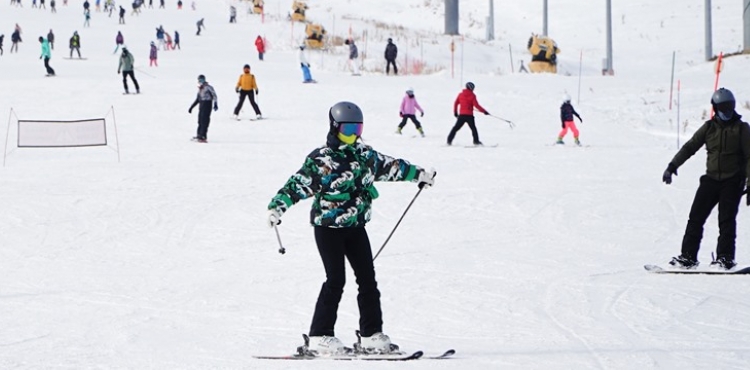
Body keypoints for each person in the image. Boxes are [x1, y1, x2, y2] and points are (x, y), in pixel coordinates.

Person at [265, 101, 436, 356]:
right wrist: (277, 207)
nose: (354, 135)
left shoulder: (365, 155)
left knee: (368, 279)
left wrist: (418, 173)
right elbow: (297, 184)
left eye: (357, 128)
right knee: (336, 280)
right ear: (335, 128)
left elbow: (392, 167)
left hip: (356, 227)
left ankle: (371, 335)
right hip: (328, 227)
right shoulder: (321, 159)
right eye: (348, 129)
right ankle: (319, 335)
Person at [662, 88, 750, 270]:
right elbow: (690, 147)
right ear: (715, 108)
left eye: (730, 106)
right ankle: (688, 257)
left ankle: (725, 258)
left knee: (726, 220)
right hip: (710, 180)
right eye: (722, 107)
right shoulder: (709, 128)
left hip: (732, 180)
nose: (726, 111)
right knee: (695, 218)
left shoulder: (741, 129)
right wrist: (672, 166)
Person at [188, 75, 218, 143]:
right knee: (200, 121)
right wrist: (191, 107)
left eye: (202, 80)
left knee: (205, 121)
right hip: (201, 105)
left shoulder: (208, 87)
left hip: (207, 104)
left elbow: (214, 95)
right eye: (199, 80)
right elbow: (198, 99)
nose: (200, 81)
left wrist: (215, 103)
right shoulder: (200, 89)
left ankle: (203, 136)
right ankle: (199, 135)